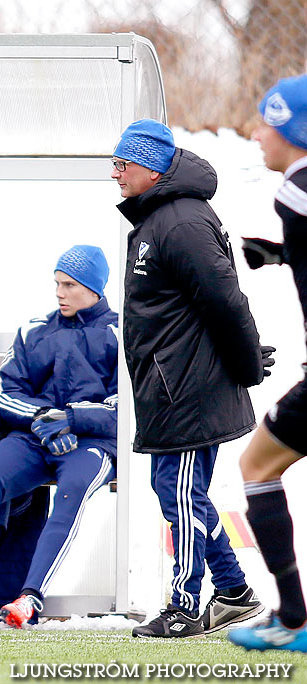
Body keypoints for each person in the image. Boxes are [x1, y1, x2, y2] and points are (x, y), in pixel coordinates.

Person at [111, 118, 268, 638]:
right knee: (179, 491)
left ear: (151, 169)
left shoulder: (179, 222)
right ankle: (233, 592)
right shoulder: (161, 217)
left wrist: (245, 363)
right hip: (172, 385)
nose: (115, 174)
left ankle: (184, 607)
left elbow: (225, 300)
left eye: (122, 164)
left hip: (187, 389)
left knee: (179, 493)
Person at [0, 246, 118, 628]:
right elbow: (4, 393)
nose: (59, 293)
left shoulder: (121, 333)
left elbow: (127, 408)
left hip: (91, 444)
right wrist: (41, 419)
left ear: (93, 287)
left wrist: (70, 419)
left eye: (68, 285)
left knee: (73, 488)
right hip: (33, 437)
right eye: (57, 283)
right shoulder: (36, 329)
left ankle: (30, 597)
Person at [230, 74, 307, 652]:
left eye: (268, 122)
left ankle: (292, 617)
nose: (258, 134)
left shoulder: (294, 190)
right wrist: (282, 254)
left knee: (257, 466)